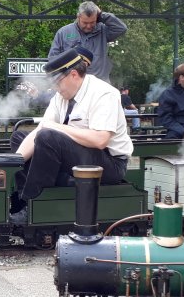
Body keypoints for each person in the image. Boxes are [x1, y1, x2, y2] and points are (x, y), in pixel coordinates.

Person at [9, 48, 133, 224]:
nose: (55, 89)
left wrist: (57, 128)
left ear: (73, 75)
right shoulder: (61, 96)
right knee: (19, 137)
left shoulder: (104, 93)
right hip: (80, 157)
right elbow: (41, 129)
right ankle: (22, 198)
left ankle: (35, 205)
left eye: (57, 83)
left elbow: (100, 140)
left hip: (110, 163)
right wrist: (12, 163)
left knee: (47, 137)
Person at [48, 1, 127, 82]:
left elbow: (121, 28)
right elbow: (52, 59)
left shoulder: (103, 30)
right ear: (78, 17)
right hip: (73, 84)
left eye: (92, 22)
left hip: (99, 83)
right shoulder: (63, 32)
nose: (89, 26)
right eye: (85, 23)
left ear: (97, 18)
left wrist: (101, 14)